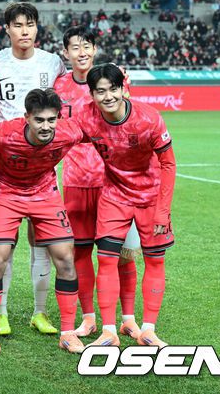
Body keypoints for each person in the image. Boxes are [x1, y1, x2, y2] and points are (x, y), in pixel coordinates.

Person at [74, 64, 176, 348]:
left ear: (122, 89)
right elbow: (59, 133)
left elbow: (168, 164)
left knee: (154, 260)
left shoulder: (149, 118)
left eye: (113, 89)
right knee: (106, 259)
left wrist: (162, 210)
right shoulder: (86, 116)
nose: (107, 96)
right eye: (100, 91)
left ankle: (148, 330)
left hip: (150, 197)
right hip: (114, 195)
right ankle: (109, 331)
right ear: (92, 94)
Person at [0, 88, 83, 356]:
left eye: (51, 120)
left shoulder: (69, 133)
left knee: (66, 259)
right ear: (27, 117)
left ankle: (68, 333)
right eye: (39, 120)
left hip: (45, 194)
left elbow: (99, 128)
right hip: (7, 194)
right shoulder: (2, 134)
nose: (46, 126)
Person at [0, 2, 67, 335]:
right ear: (7, 29)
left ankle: (39, 312)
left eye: (30, 24)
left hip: (42, 166)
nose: (24, 31)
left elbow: (73, 88)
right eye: (17, 25)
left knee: (41, 241)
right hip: (3, 166)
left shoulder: (52, 62)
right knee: (4, 245)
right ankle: (0, 313)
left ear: (37, 27)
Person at [54, 27, 140, 338]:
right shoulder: (59, 85)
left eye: (87, 46)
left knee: (122, 255)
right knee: (80, 253)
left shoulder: (114, 79)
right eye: (75, 47)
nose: (82, 52)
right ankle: (89, 318)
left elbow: (129, 122)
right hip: (76, 180)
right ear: (66, 53)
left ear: (94, 48)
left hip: (114, 183)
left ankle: (128, 318)